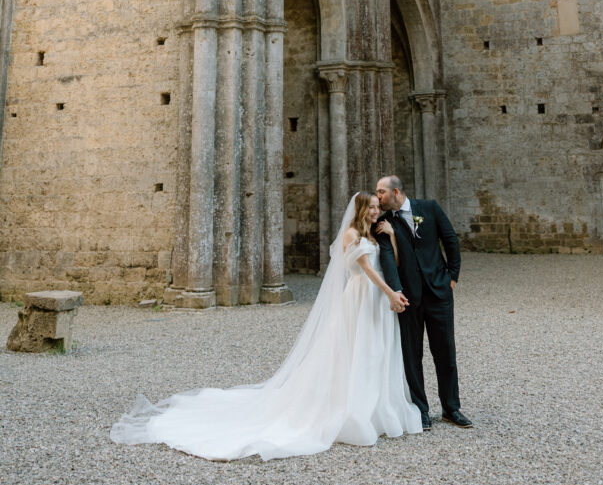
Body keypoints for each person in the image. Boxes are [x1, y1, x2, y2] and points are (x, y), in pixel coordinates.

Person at [110, 192, 422, 461]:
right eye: (370, 207)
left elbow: (387, 263)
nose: (375, 211)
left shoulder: (373, 234)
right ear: (359, 210)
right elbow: (366, 269)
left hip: (375, 300)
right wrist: (390, 293)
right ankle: (353, 409)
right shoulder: (351, 235)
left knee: (373, 352)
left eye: (376, 207)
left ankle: (375, 407)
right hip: (361, 296)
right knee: (355, 350)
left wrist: (392, 237)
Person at [375, 174, 473, 431]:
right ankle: (420, 410)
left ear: (396, 192)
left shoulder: (429, 208)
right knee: (411, 354)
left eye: (381, 192)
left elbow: (450, 239)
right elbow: (387, 258)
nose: (378, 197)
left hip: (439, 292)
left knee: (445, 352)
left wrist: (452, 277)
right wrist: (396, 291)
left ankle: (451, 408)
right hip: (409, 297)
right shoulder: (384, 223)